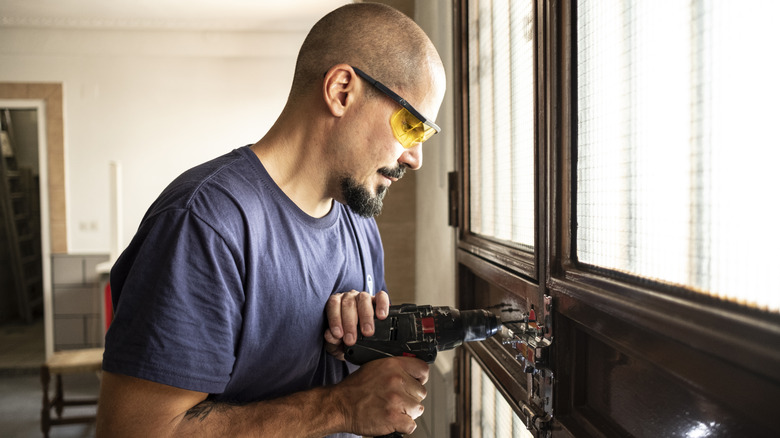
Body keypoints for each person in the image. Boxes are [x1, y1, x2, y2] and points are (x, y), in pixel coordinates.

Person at [95, 3, 446, 437]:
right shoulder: (205, 224)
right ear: (341, 91)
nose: (416, 159)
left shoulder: (360, 225)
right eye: (412, 126)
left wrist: (357, 347)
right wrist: (341, 406)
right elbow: (135, 431)